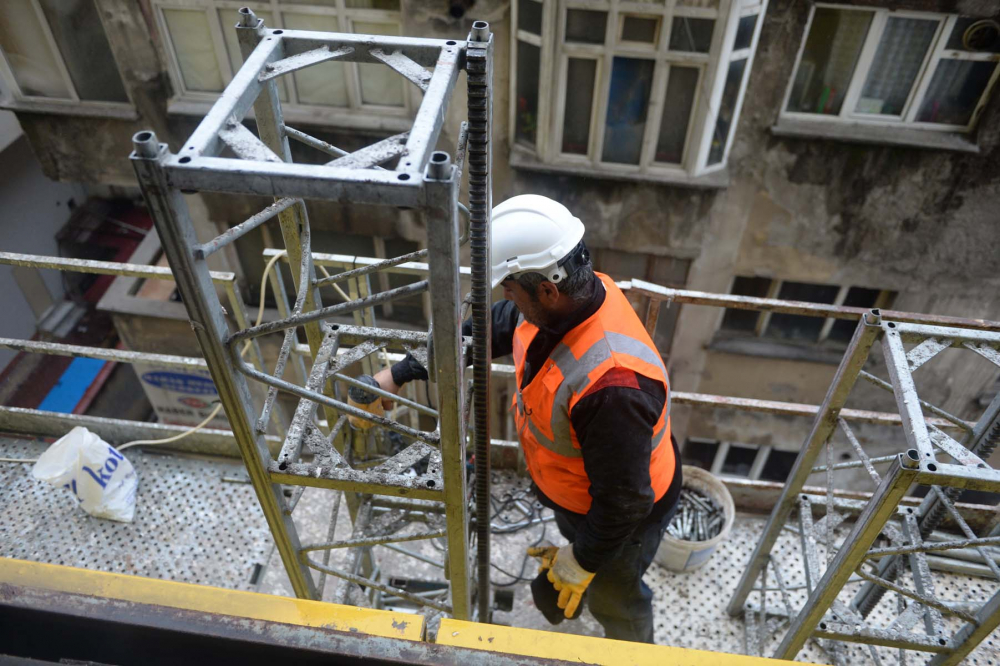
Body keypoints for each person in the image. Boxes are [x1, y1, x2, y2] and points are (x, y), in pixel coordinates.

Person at [370, 194, 681, 644]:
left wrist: (580, 560)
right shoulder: (570, 299)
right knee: (582, 575)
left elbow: (624, 502)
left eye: (509, 287)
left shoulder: (613, 389)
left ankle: (633, 651)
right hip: (580, 493)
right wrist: (395, 376)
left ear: (548, 289)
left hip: (625, 518)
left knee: (617, 597)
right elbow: (493, 324)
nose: (505, 296)